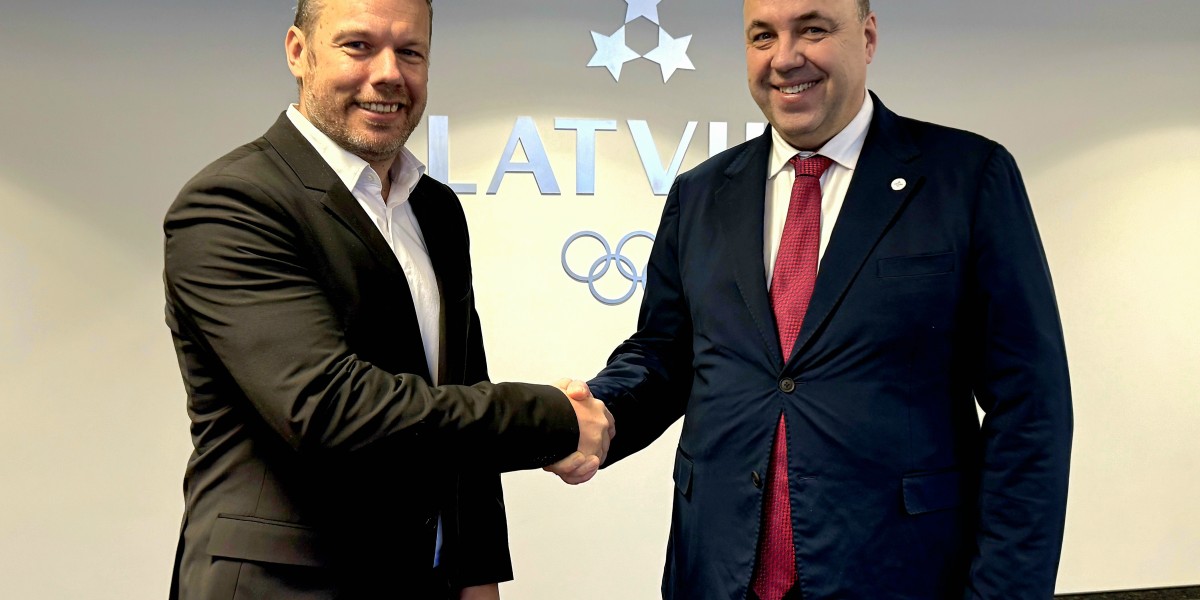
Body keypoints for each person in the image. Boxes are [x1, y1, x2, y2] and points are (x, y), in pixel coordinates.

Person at [548, 0, 1073, 598]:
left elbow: (1030, 407)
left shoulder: (967, 177)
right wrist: (603, 411)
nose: (785, 58)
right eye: (762, 36)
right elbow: (665, 352)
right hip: (718, 569)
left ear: (867, 36)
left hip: (902, 574)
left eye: (813, 29)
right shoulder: (700, 194)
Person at [162, 0, 613, 597]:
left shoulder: (435, 208)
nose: (389, 74)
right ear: (298, 52)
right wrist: (549, 420)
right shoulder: (235, 202)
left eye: (410, 52)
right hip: (282, 585)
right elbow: (330, 408)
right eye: (359, 46)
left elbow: (461, 391)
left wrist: (478, 577)